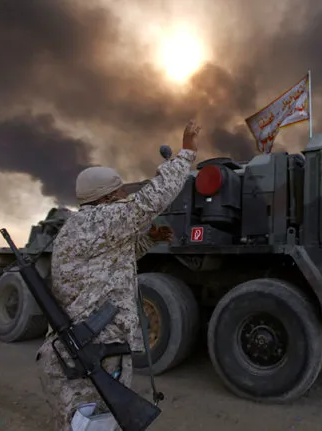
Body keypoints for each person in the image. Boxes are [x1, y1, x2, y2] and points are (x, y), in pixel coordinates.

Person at [36, 120, 201, 430]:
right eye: (121, 191)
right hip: (92, 353)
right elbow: (152, 199)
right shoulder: (101, 219)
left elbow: (108, 262)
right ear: (107, 198)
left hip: (86, 352)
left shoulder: (80, 226)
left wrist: (149, 239)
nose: (126, 195)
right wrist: (186, 153)